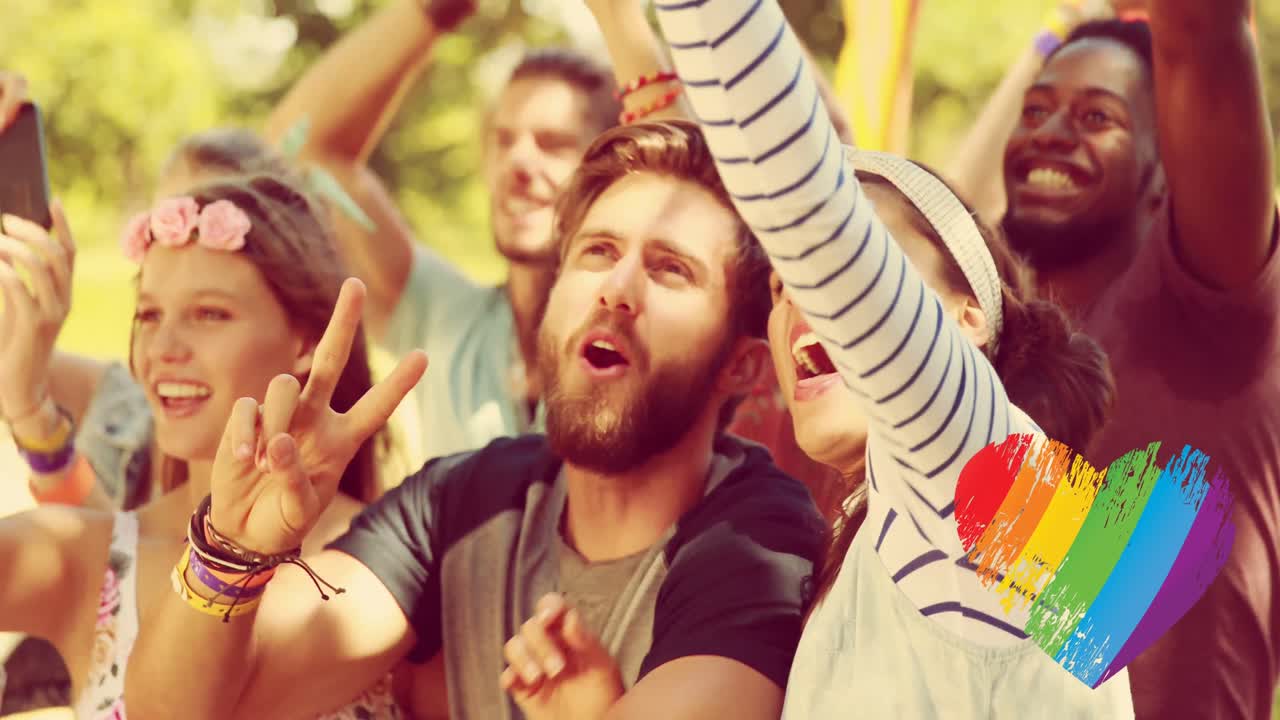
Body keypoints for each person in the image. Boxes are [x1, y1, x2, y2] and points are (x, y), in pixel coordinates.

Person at [124, 120, 826, 720]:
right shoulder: (462, 501)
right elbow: (186, 709)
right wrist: (230, 551)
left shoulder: (757, 539)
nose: (617, 289)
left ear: (743, 366)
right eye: (598, 252)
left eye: (671, 269)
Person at [0, 174, 423, 718]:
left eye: (209, 313)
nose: (163, 348)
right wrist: (23, 393)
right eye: (149, 315)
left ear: (307, 343)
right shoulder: (84, 558)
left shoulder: (400, 572)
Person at [994, 7, 1279, 718]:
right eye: (1035, 110)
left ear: (1166, 171)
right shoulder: (982, 336)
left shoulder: (1211, 304)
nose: (1050, 135)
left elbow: (1200, 35)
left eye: (1097, 118)